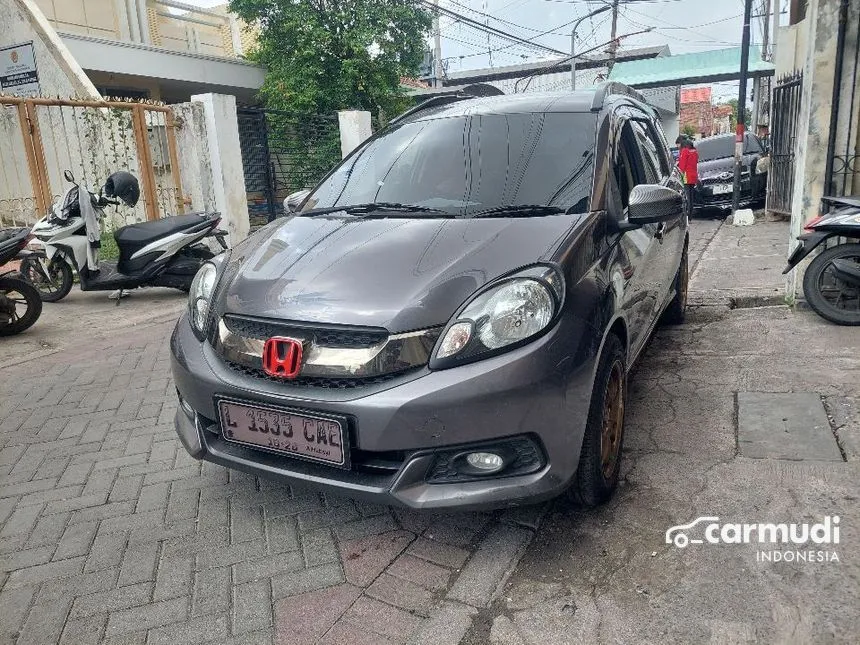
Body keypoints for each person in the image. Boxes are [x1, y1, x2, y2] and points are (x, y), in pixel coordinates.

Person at [676, 136, 698, 217]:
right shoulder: (694, 152)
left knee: (687, 196)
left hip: (686, 176)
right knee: (691, 196)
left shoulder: (684, 151)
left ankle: (687, 215)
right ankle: (691, 214)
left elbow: (682, 166)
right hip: (693, 176)